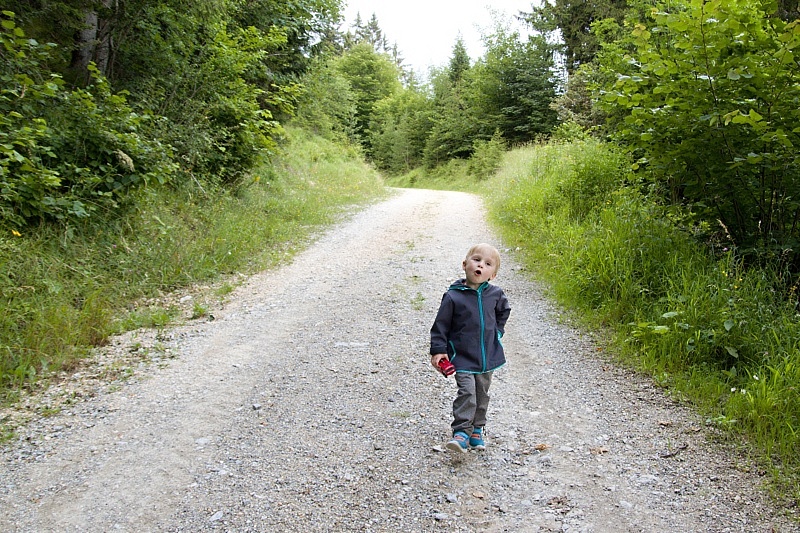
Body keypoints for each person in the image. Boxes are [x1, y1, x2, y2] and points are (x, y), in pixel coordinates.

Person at [430, 243, 511, 453]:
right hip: (462, 356)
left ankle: (477, 429)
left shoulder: (496, 295)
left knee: (482, 393)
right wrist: (438, 350)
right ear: (465, 264)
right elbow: (440, 326)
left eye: (487, 264)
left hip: (488, 358)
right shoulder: (453, 297)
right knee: (467, 392)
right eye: (476, 260)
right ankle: (461, 432)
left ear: (492, 275)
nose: (480, 265)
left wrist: (498, 332)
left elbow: (504, 312)